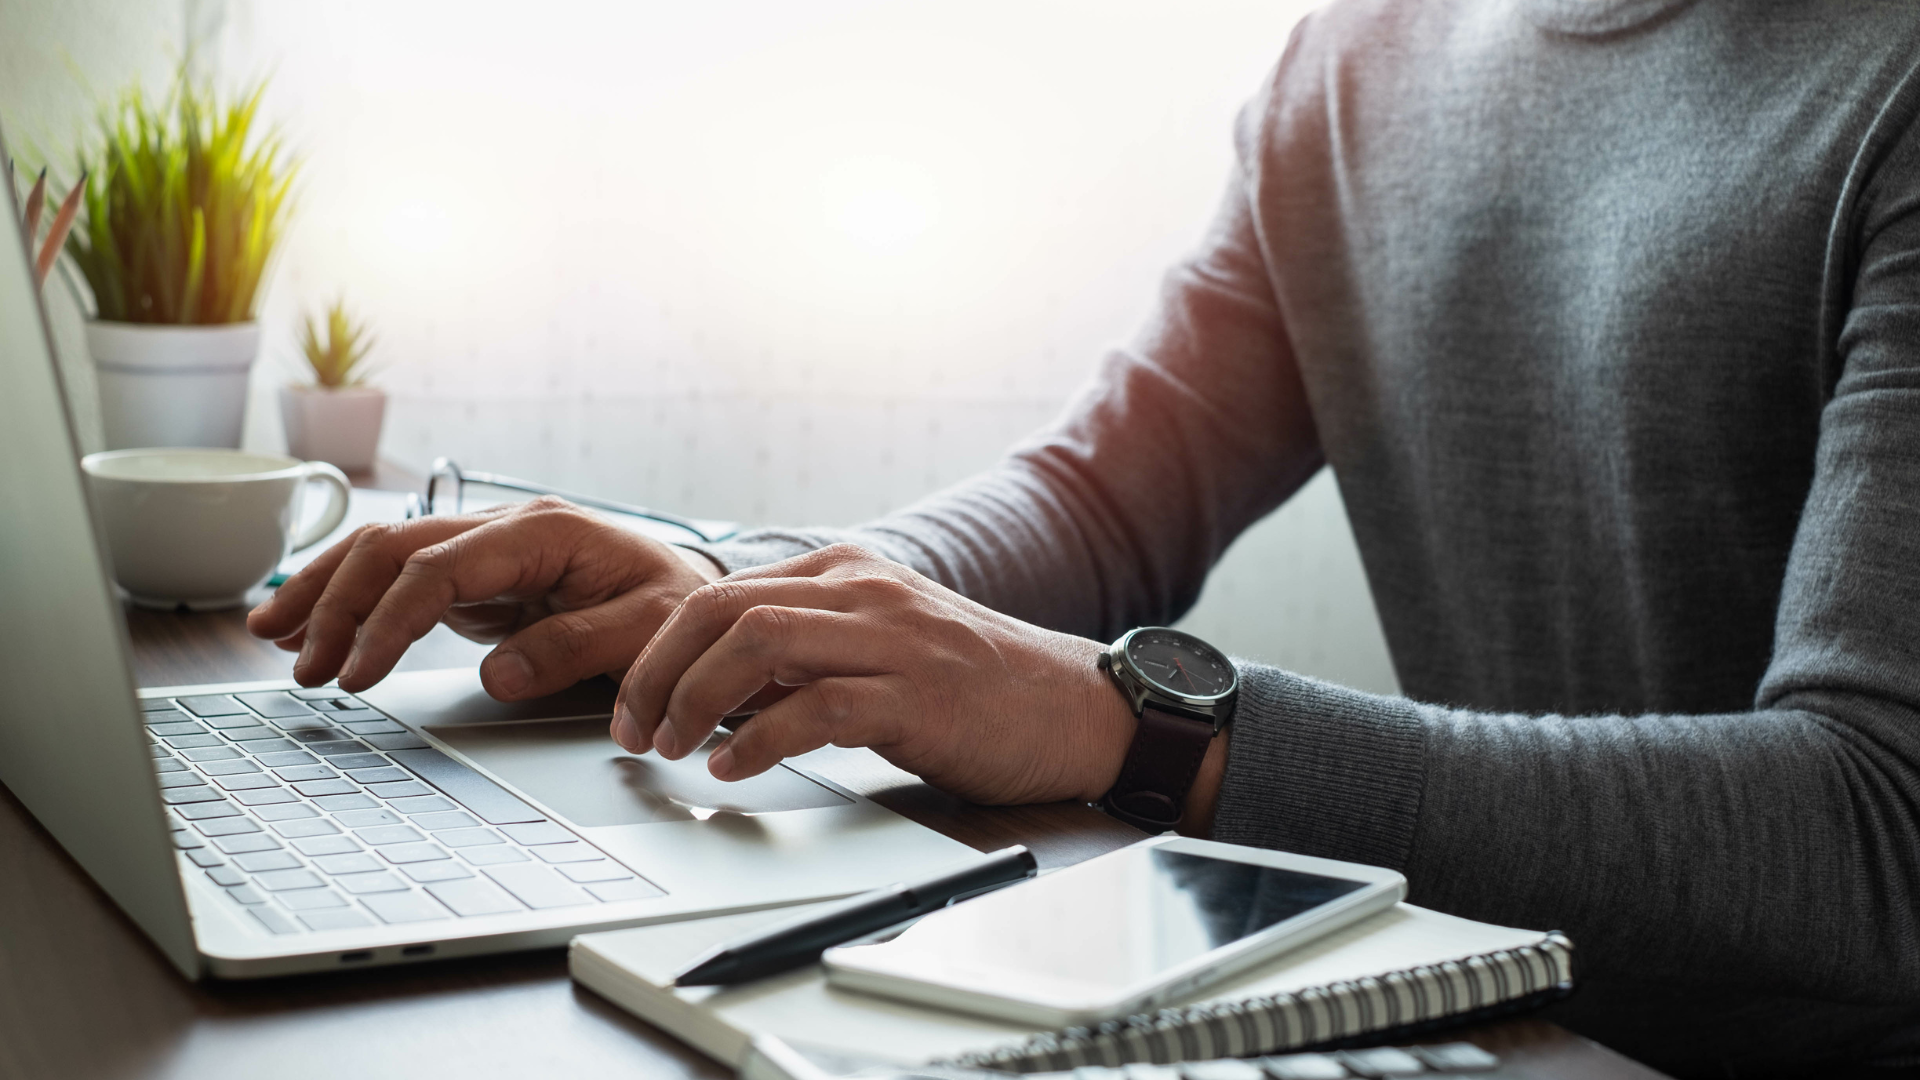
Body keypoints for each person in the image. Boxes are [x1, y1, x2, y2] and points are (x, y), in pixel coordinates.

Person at [247, 0, 1920, 1073]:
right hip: (1494, 1014)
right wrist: (744, 593)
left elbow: (1875, 836)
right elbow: (1106, 497)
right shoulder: (1367, 55)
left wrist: (1140, 721)